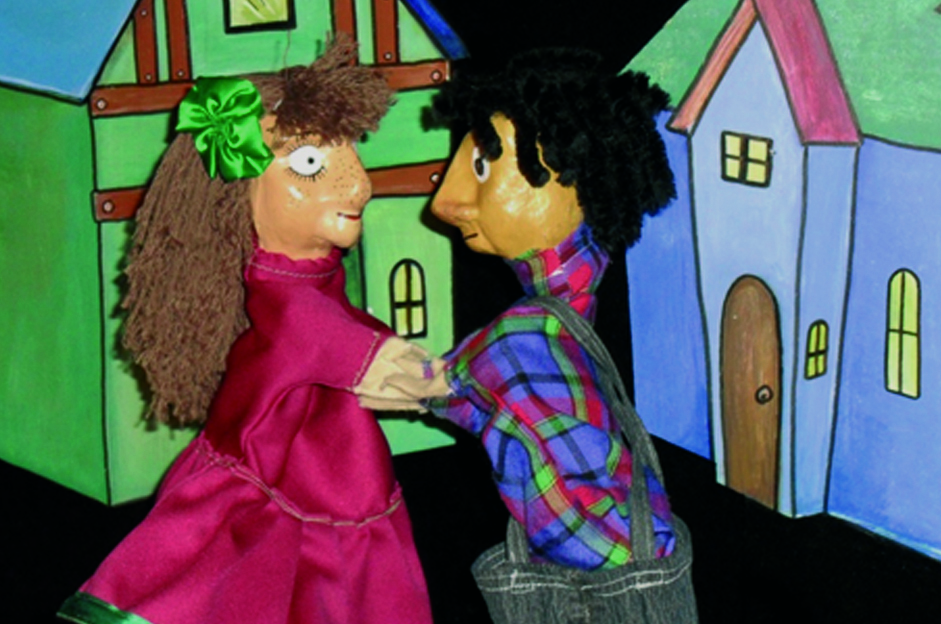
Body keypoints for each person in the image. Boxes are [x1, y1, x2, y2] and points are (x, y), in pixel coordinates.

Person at [58, 37, 438, 624]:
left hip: (318, 460)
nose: (357, 183)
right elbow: (386, 365)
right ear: (240, 191)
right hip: (292, 474)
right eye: (308, 164)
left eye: (349, 152)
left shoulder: (313, 278)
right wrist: (458, 378)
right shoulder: (291, 308)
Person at [408, 49, 678, 570]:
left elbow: (599, 540)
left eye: (482, 166)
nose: (444, 203)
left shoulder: (522, 343)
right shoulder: (567, 315)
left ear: (563, 174)